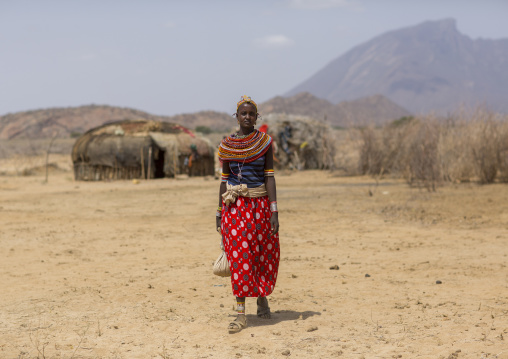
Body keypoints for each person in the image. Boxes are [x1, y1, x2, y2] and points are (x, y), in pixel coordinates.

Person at [216, 95, 280, 334]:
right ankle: (241, 315)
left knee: (262, 254)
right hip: (235, 208)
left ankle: (262, 296)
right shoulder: (226, 146)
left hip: (260, 206)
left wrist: (274, 210)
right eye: (243, 114)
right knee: (240, 257)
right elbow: (223, 181)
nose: (247, 117)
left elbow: (269, 177)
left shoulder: (264, 142)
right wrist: (219, 212)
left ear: (257, 117)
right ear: (237, 116)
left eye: (251, 114)